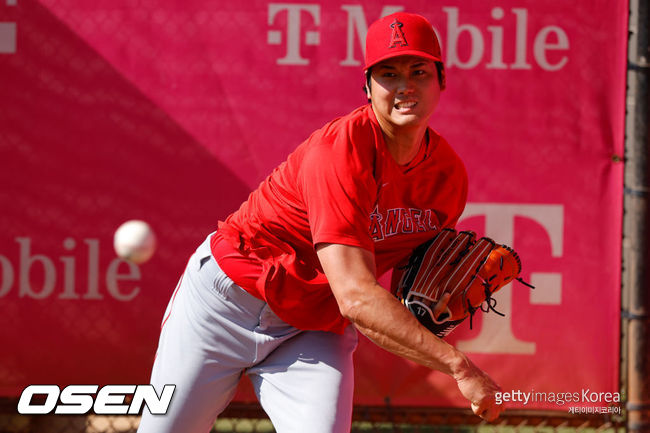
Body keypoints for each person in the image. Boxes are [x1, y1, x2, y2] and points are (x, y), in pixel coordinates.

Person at [137, 11, 504, 433]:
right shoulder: (340, 152)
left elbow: (405, 285)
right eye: (388, 73)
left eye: (419, 71)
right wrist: (458, 366)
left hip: (312, 327)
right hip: (225, 305)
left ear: (441, 79)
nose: (405, 86)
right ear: (367, 88)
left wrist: (419, 311)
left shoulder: (446, 178)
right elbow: (358, 298)